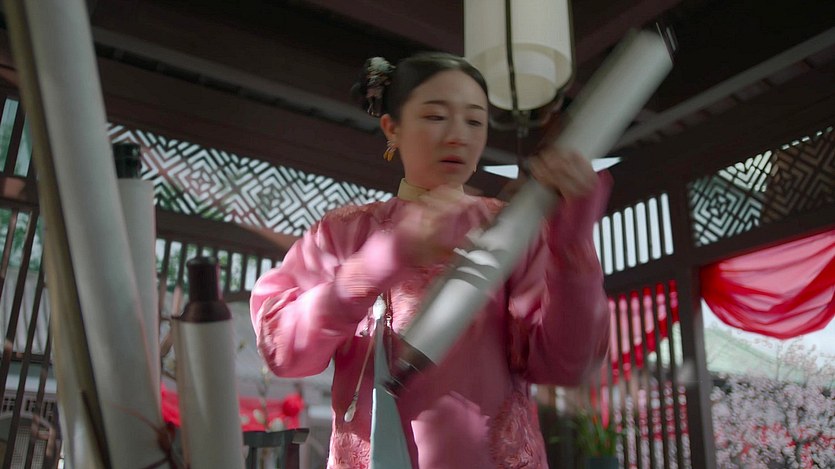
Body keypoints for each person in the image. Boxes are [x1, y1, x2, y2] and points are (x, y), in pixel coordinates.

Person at [251, 52, 611, 469]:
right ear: (392, 128)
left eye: (474, 121)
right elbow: (283, 350)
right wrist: (383, 259)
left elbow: (566, 363)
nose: (458, 136)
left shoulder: (514, 228)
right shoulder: (343, 232)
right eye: (436, 116)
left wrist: (572, 243)